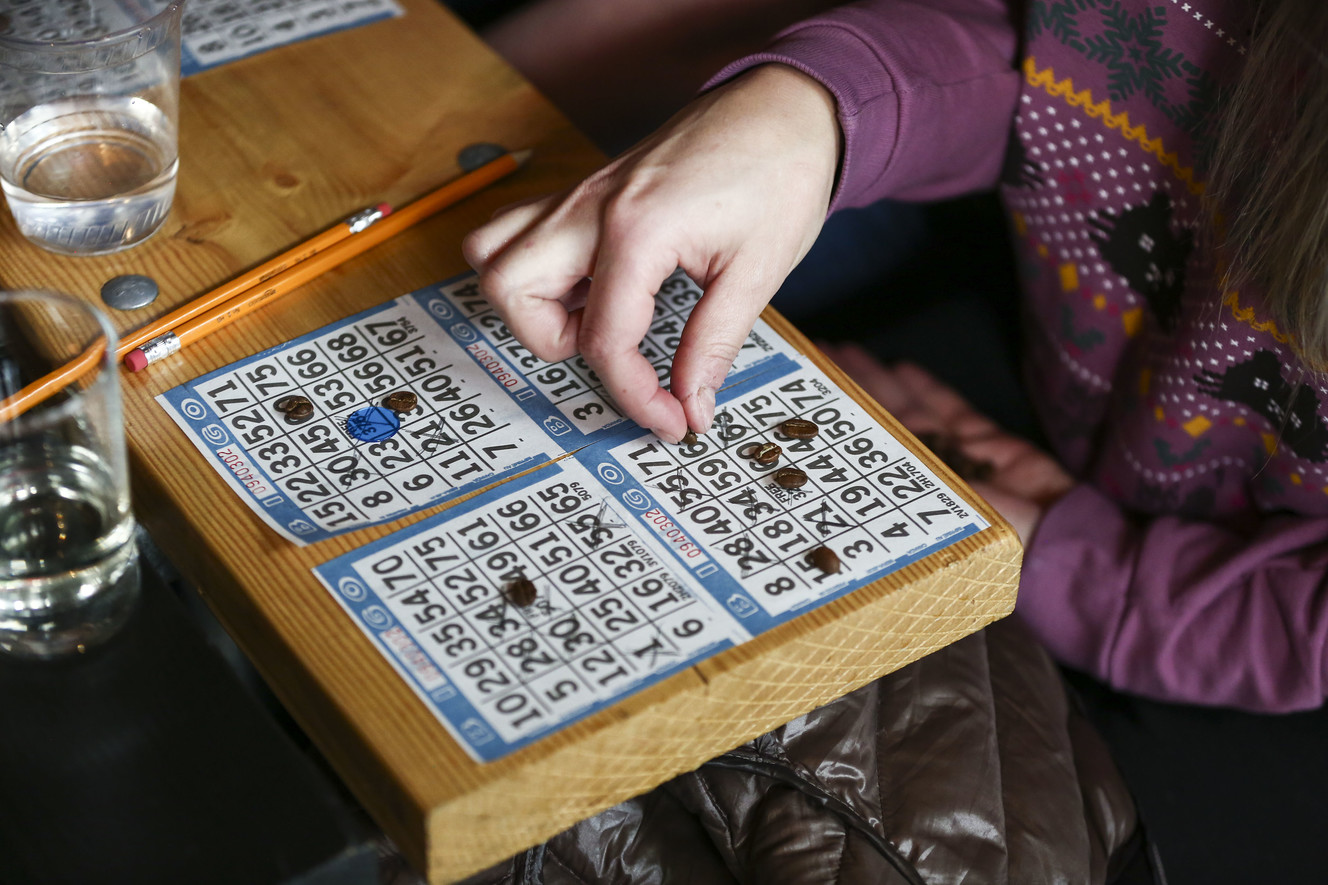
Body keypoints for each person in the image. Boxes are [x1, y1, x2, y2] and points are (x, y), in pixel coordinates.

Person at [462, 0, 1328, 878]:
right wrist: (814, 112)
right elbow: (1053, 63)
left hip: (1224, 624)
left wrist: (1082, 561)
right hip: (1047, 340)